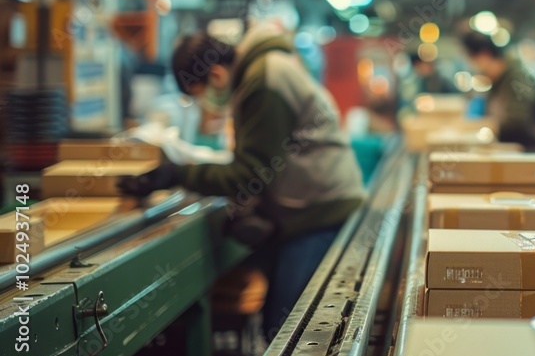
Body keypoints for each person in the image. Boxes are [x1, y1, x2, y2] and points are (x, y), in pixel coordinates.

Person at [118, 22, 365, 339]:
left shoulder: (262, 82)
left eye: (202, 95)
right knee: (279, 322)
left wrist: (177, 175)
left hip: (320, 213)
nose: (206, 105)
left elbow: (250, 174)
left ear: (217, 75)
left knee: (288, 330)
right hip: (312, 205)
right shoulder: (262, 69)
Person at [461, 32, 535, 152]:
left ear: (484, 56)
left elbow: (517, 121)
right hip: (516, 150)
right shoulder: (498, 80)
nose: (474, 68)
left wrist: (483, 128)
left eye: (472, 61)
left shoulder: (518, 77)